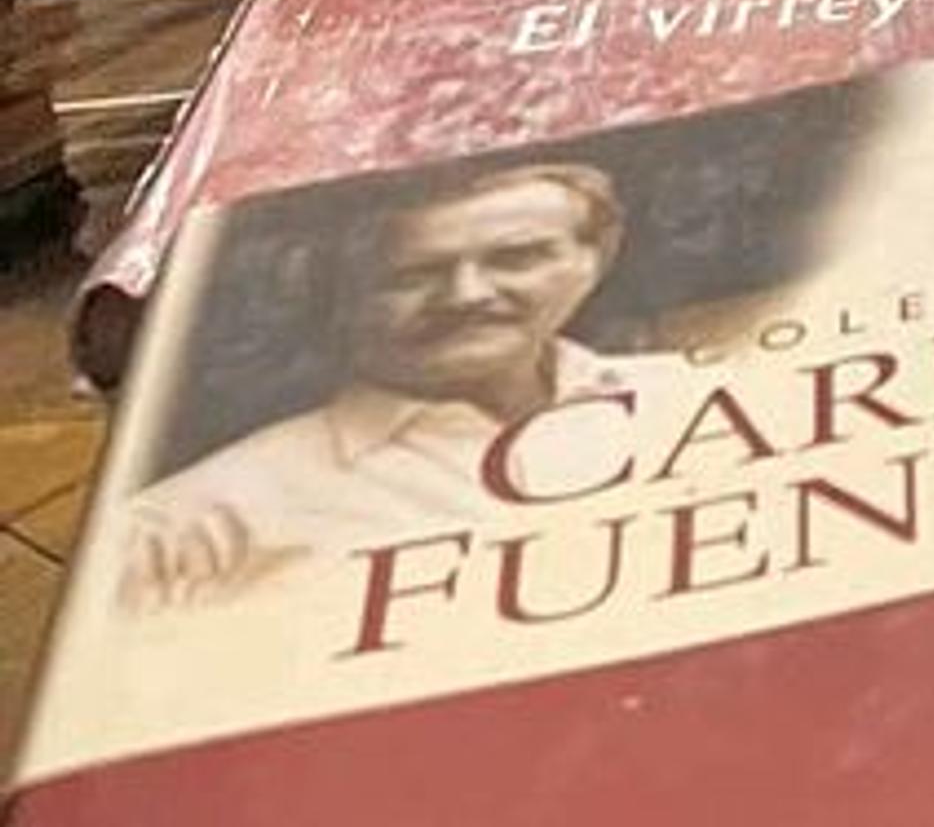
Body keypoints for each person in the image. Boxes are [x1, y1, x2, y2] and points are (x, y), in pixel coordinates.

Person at [116, 155, 700, 608]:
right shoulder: (188, 523)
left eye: (517, 257)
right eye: (412, 275)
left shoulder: (698, 396)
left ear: (594, 259)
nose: (467, 295)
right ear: (334, 293)